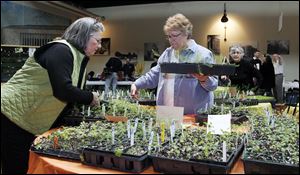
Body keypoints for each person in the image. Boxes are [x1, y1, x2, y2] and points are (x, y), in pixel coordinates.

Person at [1, 17, 104, 174]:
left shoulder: (75, 55)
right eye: (97, 40)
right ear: (84, 36)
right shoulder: (61, 50)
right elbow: (63, 90)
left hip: (25, 118)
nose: (100, 46)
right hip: (11, 115)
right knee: (17, 167)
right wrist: (90, 98)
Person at [131, 13, 218, 114]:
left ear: (186, 34)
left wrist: (204, 79)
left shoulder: (203, 54)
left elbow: (213, 85)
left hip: (194, 114)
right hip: (167, 113)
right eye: (169, 36)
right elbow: (153, 76)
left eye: (175, 35)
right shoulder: (167, 54)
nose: (171, 40)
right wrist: (136, 84)